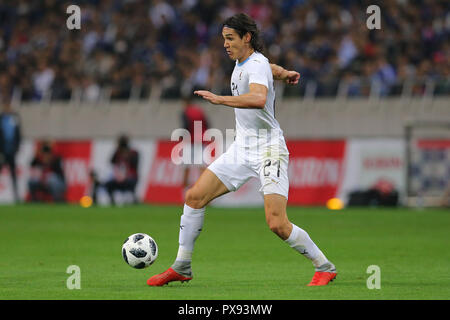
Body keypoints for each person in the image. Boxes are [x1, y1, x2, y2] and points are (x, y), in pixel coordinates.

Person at [148, 13, 337, 287]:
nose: (224, 44)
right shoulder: (247, 62)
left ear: (246, 37)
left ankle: (325, 266)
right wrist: (283, 73)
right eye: (223, 39)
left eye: (230, 38)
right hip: (242, 148)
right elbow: (266, 68)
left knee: (277, 223)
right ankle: (182, 265)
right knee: (195, 196)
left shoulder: (255, 62)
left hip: (269, 149)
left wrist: (220, 99)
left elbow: (259, 98)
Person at [180, 95, 210, 192]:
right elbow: (208, 124)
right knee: (201, 168)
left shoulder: (186, 112)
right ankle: (204, 192)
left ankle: (185, 193)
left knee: (186, 168)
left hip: (190, 142)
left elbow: (185, 127)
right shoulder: (199, 111)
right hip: (201, 141)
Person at [104, 134, 139, 205]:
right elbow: (111, 161)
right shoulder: (117, 152)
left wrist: (127, 157)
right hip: (119, 178)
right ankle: (112, 201)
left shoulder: (133, 152)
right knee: (108, 184)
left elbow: (135, 165)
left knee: (130, 185)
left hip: (130, 178)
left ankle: (134, 201)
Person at [0, 98, 21, 203]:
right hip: (2, 150)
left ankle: (16, 195)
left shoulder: (15, 118)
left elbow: (18, 134)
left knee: (13, 173)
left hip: (11, 150)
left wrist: (17, 147)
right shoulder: (1, 118)